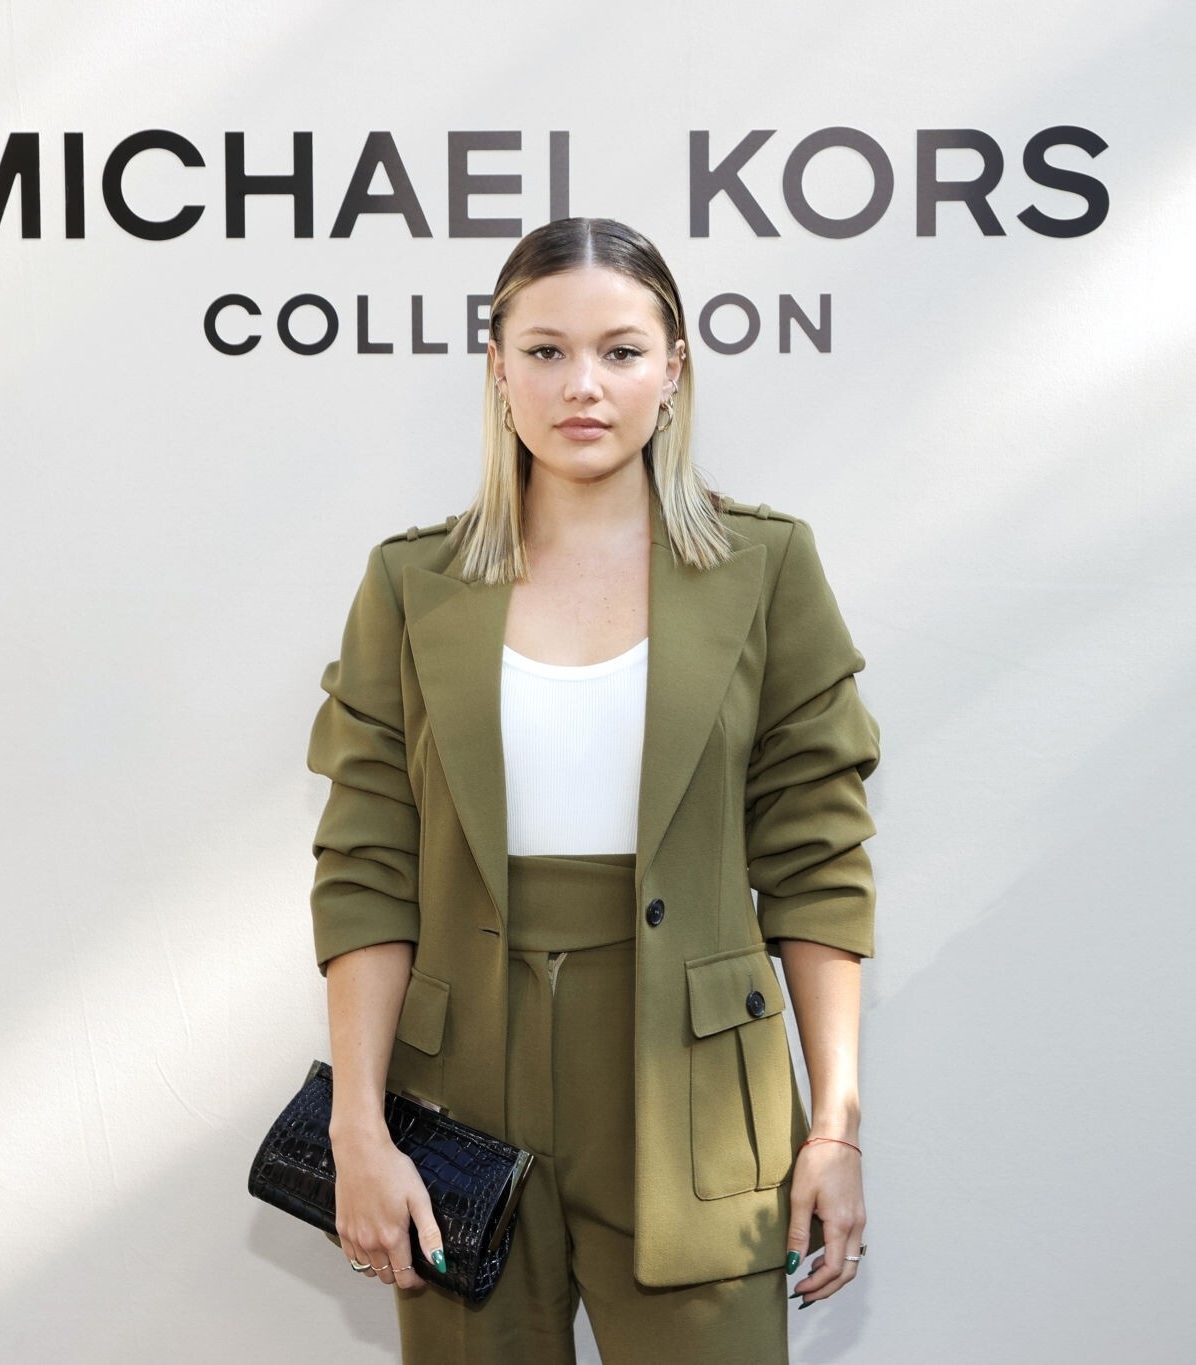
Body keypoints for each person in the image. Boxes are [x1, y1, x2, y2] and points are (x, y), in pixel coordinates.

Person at [304, 217, 881, 1364]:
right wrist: (356, 1128)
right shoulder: (410, 584)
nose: (583, 385)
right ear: (497, 369)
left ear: (672, 371)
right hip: (458, 1096)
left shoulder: (765, 568)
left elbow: (816, 863)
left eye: (620, 352)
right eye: (546, 351)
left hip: (697, 1095)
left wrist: (834, 1128)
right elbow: (367, 871)